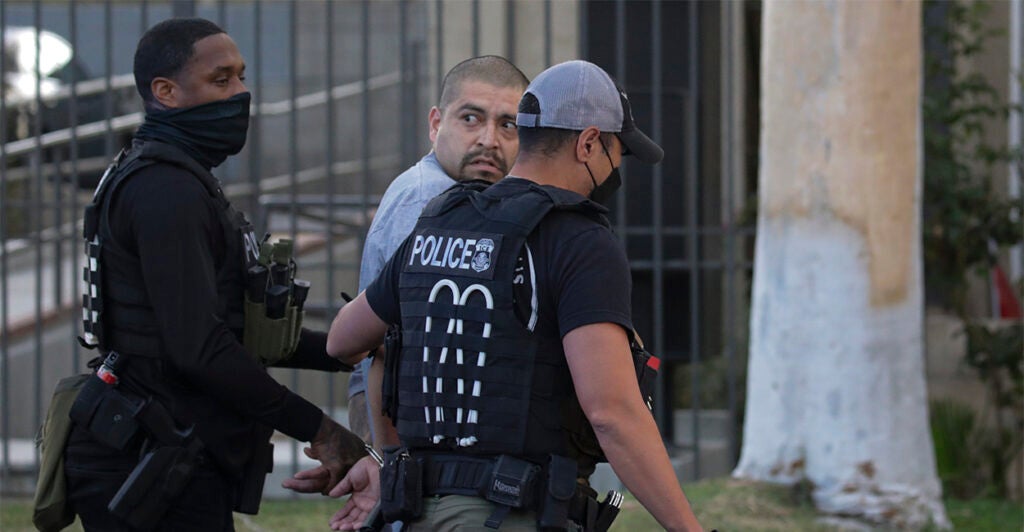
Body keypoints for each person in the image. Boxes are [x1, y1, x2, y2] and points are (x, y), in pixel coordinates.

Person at [311, 60, 705, 531]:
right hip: (511, 512)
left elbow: (344, 341)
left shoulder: (439, 221)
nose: (617, 167)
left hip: (419, 513)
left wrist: (392, 457)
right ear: (588, 144)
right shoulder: (580, 241)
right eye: (616, 152)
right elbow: (612, 414)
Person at [64, 18, 367, 531]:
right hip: (145, 462)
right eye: (221, 80)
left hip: (168, 451)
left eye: (242, 77)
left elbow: (236, 328)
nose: (241, 94)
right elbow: (199, 347)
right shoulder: (165, 190)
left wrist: (352, 347)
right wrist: (318, 428)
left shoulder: (177, 178)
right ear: (166, 92)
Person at [345, 56, 528, 446]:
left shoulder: (465, 201)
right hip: (418, 438)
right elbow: (393, 347)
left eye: (507, 124)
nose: (488, 140)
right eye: (471, 119)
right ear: (435, 124)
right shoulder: (429, 201)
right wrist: (386, 460)